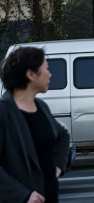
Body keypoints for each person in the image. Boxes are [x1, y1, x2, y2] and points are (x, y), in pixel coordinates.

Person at [0, 47, 70, 203]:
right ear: (31, 75)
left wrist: (58, 166)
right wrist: (23, 195)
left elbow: (63, 136)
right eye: (46, 68)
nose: (50, 74)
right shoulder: (4, 112)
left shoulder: (41, 106)